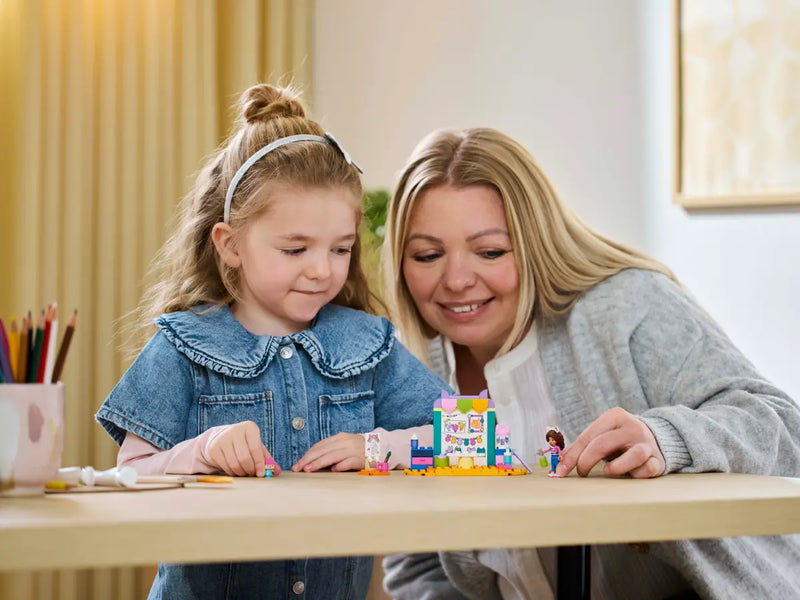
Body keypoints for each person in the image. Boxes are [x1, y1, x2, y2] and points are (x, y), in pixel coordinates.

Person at [380, 127, 800, 599]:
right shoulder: (411, 371)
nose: (456, 279)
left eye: (491, 251)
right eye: (428, 255)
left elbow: (785, 429)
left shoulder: (624, 306)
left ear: (535, 242)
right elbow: (418, 563)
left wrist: (667, 439)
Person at [94, 84, 447, 600]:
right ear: (230, 245)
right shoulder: (182, 347)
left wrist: (380, 448)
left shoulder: (367, 346)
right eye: (295, 249)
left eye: (341, 249)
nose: (322, 269)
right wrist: (202, 450)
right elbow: (128, 477)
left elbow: (472, 436)